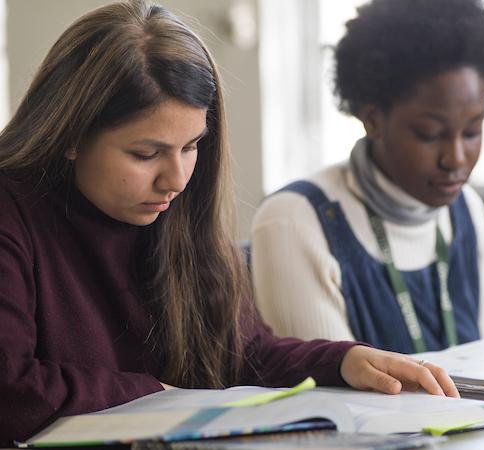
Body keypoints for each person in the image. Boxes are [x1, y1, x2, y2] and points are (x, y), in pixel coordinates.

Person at [0, 0, 460, 445]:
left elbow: (241, 353)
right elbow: (11, 391)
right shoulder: (11, 212)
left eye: (191, 146)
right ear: (70, 136)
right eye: (146, 153)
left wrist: (343, 360)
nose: (176, 179)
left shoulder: (177, 211)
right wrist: (154, 393)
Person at [251, 0, 484, 354]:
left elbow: (472, 354)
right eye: (430, 135)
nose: (456, 158)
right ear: (372, 119)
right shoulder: (295, 221)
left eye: (473, 131)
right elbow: (331, 393)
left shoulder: (465, 210)